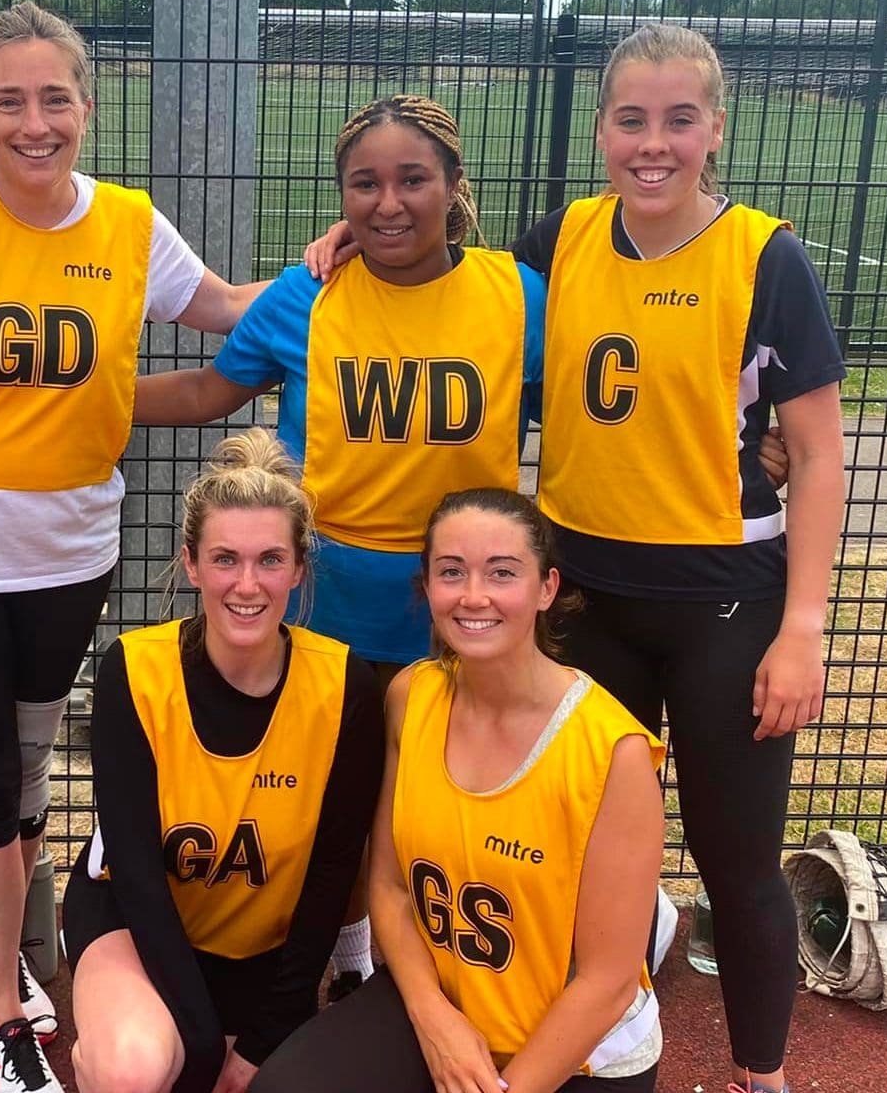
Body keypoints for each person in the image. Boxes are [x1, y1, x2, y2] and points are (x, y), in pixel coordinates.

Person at [0, 0, 266, 1093]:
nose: (34, 123)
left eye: (55, 99)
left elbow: (224, 306)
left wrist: (341, 268)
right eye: (9, 100)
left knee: (29, 777)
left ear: (87, 105)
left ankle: (9, 959)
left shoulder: (127, 221)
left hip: (70, 554)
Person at [136, 94, 543, 997]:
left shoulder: (516, 296)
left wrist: (762, 439)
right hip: (330, 596)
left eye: (411, 180)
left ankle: (441, 952)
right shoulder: (306, 295)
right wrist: (83, 396)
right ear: (341, 197)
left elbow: (598, 398)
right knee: (338, 788)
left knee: (438, 784)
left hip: (459, 598)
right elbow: (211, 389)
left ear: (452, 186)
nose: (388, 202)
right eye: (365, 183)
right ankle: (354, 955)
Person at [508, 23, 845, 1093]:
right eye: (632, 119)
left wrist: (803, 630)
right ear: (603, 128)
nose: (653, 144)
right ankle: (578, 1045)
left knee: (738, 860)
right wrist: (343, 241)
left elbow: (823, 456)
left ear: (716, 130)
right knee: (569, 849)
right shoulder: (558, 237)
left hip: (726, 605)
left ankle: (762, 1076)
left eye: (679, 120)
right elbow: (446, 299)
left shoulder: (763, 253)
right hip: (583, 600)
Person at [251, 488, 667, 1093]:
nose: (474, 596)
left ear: (547, 589)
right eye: (452, 572)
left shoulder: (614, 752)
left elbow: (606, 984)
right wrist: (433, 1019)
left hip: (576, 1050)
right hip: (447, 1001)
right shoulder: (412, 697)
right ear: (427, 587)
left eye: (503, 573)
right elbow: (390, 889)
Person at [65, 429, 384, 1093]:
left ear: (298, 568)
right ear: (191, 563)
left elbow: (331, 877)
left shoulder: (345, 686)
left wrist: (267, 1034)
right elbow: (139, 880)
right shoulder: (134, 671)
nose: (247, 584)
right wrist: (206, 1045)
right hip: (136, 924)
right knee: (137, 1069)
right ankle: (99, 1053)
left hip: (259, 946)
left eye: (270, 560)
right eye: (225, 559)